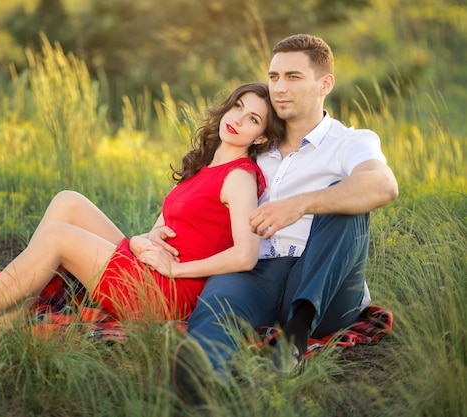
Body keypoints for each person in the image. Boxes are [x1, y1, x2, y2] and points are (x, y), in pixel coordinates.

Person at [0, 82, 286, 353]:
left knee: (57, 236)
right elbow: (162, 227)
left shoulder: (238, 177)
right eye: (238, 106)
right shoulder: (206, 166)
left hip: (163, 292)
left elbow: (245, 255)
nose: (238, 118)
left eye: (253, 118)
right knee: (68, 201)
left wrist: (174, 272)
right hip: (150, 267)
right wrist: (141, 240)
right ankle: (15, 312)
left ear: (260, 138)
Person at [169, 34, 399, 406]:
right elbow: (205, 191)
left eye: (293, 77)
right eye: (274, 76)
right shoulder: (256, 143)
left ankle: (297, 333)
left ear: (324, 84)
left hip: (324, 283)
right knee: (218, 304)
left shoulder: (350, 142)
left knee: (347, 201)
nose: (279, 87)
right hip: (257, 270)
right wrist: (157, 231)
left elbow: (383, 186)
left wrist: (300, 205)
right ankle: (205, 377)